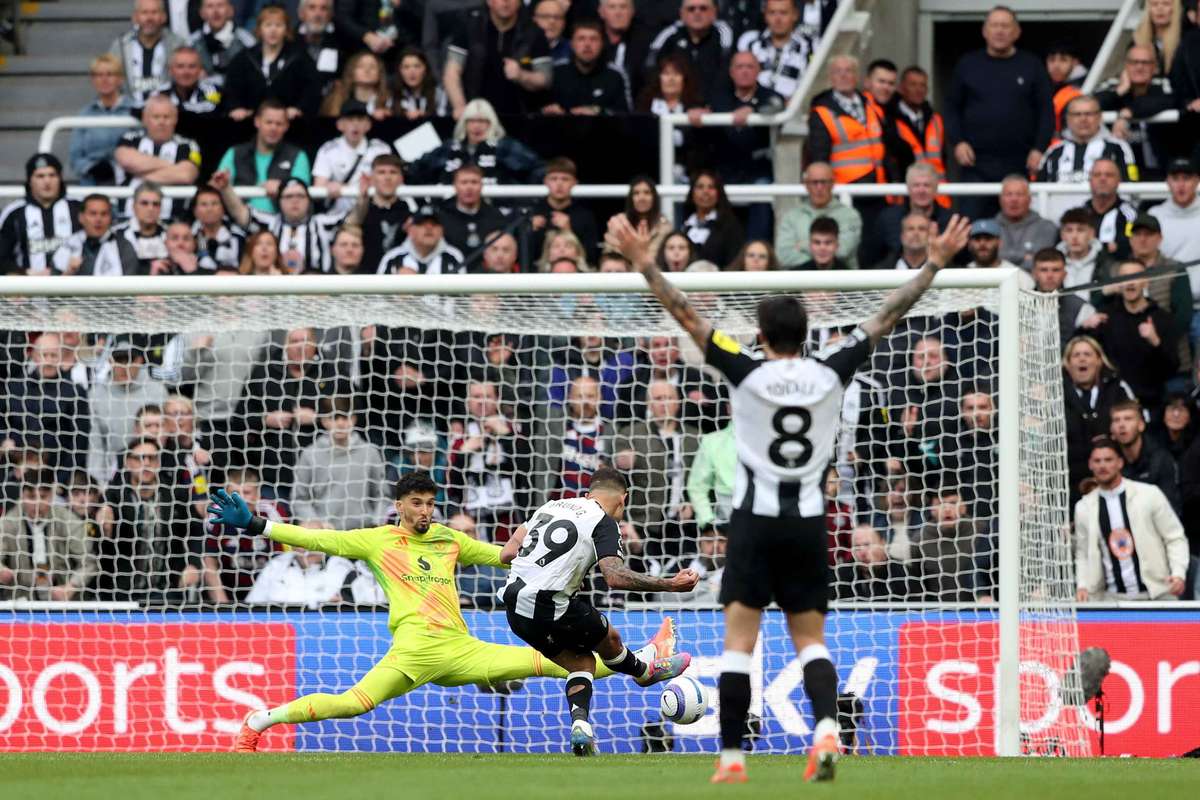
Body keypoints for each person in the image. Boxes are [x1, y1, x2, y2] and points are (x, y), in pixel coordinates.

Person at [605, 206, 972, 783]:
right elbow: (887, 315)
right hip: (807, 522)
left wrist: (645, 264)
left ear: (760, 335)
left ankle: (731, 759)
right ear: (806, 335)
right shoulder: (831, 372)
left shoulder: (746, 372)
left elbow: (686, 315)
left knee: (738, 643)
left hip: (753, 523)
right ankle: (826, 728)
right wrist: (934, 265)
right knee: (811, 641)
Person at [213, 471, 681, 750]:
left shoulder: (447, 540)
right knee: (353, 705)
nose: (425, 511)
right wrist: (257, 524)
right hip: (413, 651)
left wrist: (531, 549)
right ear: (398, 506)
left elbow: (503, 557)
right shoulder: (377, 541)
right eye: (417, 504)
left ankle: (647, 659)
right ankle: (259, 721)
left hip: (461, 649)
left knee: (561, 664)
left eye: (430, 504)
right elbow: (319, 539)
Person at [499, 466, 696, 755]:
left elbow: (507, 553)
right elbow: (614, 577)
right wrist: (670, 585)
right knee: (610, 639)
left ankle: (581, 727)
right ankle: (644, 671)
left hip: (514, 610)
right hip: (551, 604)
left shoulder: (550, 507)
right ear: (623, 499)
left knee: (582, 664)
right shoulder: (603, 521)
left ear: (589, 493)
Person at [944, 6, 1053, 220]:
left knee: (1019, 223)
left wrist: (1039, 148)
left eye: (1005, 26)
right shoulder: (967, 65)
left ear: (1017, 32)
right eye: (994, 25)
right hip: (975, 164)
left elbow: (1046, 111)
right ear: (985, 31)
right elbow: (951, 108)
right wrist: (958, 142)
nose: (1000, 31)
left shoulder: (1032, 65)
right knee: (971, 224)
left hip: (1020, 162)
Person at [1074, 438, 1188, 601]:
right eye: (1097, 461)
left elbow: (1174, 537)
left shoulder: (1149, 494)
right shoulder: (1084, 507)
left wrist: (1178, 573)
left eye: (1108, 460)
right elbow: (1083, 552)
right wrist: (1082, 585)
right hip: (1111, 599)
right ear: (1090, 465)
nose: (1102, 466)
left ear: (1120, 463)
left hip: (1157, 593)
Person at [1090, 260, 1179, 415]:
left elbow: (1172, 368)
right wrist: (1085, 328)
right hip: (1114, 404)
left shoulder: (1162, 318)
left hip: (1152, 403)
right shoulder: (1106, 317)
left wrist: (1155, 341)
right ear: (1118, 283)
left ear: (1146, 282)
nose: (1130, 282)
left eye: (1136, 276)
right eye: (1125, 277)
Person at [709, 52, 782, 240]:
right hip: (726, 171)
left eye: (750, 67)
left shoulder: (768, 95)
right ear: (731, 72)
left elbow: (777, 105)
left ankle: (756, 251)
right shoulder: (719, 97)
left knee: (762, 194)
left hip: (758, 171)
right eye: (740, 67)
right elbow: (706, 112)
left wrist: (753, 110)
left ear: (758, 71)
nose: (744, 71)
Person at [213, 174, 345, 274]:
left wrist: (353, 190)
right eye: (288, 196)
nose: (295, 201)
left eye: (300, 196)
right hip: (276, 294)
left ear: (309, 201)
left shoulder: (322, 224)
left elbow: (353, 220)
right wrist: (225, 188)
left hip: (317, 295)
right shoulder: (269, 223)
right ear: (279, 201)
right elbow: (241, 214)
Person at [1036, 94, 1138, 222]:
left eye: (1089, 114)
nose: (1083, 119)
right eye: (1077, 114)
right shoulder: (1054, 151)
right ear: (1067, 119)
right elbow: (1038, 190)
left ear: (1100, 117)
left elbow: (1131, 189)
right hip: (1057, 222)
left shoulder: (1118, 147)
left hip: (1104, 222)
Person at [1062, 335, 1137, 506]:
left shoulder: (1118, 388)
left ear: (1099, 361)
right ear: (1067, 364)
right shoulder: (1054, 394)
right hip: (1070, 482)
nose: (1082, 359)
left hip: (1117, 477)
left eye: (1087, 354)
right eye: (1076, 355)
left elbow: (1135, 424)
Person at [442, 0, 553, 117]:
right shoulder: (469, 26)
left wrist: (521, 75)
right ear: (489, 1)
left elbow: (545, 79)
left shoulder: (534, 32)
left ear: (520, 2)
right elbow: (451, 73)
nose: (506, 2)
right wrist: (460, 107)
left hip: (519, 115)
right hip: (476, 115)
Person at [0, 469, 95, 602]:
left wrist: (71, 587)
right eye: (31, 497)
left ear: (51, 496)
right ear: (22, 495)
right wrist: (2, 571)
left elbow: (89, 562)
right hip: (20, 600)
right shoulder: (8, 522)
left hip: (63, 602)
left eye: (43, 497)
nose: (37, 503)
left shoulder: (68, 521)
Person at [406, 98, 544, 185]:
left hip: (498, 213)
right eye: (471, 121)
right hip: (449, 212)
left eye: (482, 121)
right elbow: (417, 169)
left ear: (491, 123)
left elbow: (539, 169)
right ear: (464, 124)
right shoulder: (449, 147)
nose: (476, 126)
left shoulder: (505, 147)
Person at [222, 5, 321, 121]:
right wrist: (235, 107)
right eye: (268, 25)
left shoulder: (300, 58)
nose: (273, 30)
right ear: (259, 29)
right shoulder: (244, 58)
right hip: (250, 120)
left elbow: (312, 89)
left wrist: (299, 108)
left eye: (279, 25)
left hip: (290, 121)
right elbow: (231, 88)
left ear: (286, 30)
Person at [215, 99, 313, 213]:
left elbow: (301, 193)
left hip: (281, 220)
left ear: (287, 126)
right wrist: (219, 182)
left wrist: (282, 187)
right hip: (239, 220)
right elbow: (216, 186)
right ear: (257, 122)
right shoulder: (235, 153)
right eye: (269, 122)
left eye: (279, 124)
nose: (273, 128)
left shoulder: (298, 155)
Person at [114, 93, 202, 220]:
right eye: (156, 117)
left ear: (175, 119)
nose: (161, 122)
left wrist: (139, 174)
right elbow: (127, 161)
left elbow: (186, 175)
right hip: (128, 218)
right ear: (145, 119)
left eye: (166, 117)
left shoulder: (188, 145)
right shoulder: (129, 139)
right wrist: (172, 167)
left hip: (174, 222)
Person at [1095, 44, 1175, 181]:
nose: (1139, 67)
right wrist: (1120, 90)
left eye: (1145, 62)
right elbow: (1090, 105)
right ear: (1126, 65)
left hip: (1160, 171)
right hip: (1119, 172)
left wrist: (1127, 113)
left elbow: (1170, 100)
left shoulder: (1164, 85)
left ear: (1155, 67)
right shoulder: (1111, 85)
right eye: (1134, 62)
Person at [806, 55, 885, 191]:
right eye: (838, 71)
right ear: (830, 77)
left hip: (879, 184)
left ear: (857, 76)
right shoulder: (821, 111)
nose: (843, 76)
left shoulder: (871, 104)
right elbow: (819, 157)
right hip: (845, 188)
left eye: (849, 70)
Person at [0, 154, 82, 276]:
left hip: (76, 284)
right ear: (29, 180)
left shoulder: (78, 208)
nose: (47, 181)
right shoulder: (14, 213)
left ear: (60, 178)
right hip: (28, 285)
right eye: (40, 176)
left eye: (52, 175)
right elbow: (2, 257)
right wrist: (25, 273)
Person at [860, 162, 951, 269]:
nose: (921, 190)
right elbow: (870, 257)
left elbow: (960, 261)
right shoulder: (888, 218)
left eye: (927, 185)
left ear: (936, 188)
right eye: (916, 185)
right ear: (908, 188)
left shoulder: (950, 221)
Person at [312, 100, 395, 214]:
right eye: (350, 119)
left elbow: (392, 180)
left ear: (368, 125)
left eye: (360, 119)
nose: (355, 124)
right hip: (338, 214)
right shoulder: (328, 150)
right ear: (339, 125)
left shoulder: (381, 149)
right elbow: (318, 187)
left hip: (374, 212)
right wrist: (328, 186)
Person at [775, 162, 862, 268]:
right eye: (814, 182)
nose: (819, 187)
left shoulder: (850, 215)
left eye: (824, 182)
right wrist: (821, 258)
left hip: (840, 276)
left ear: (832, 183)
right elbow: (784, 256)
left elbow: (843, 252)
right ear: (806, 185)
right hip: (800, 277)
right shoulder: (791, 217)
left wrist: (803, 245)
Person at [647, 0, 734, 102]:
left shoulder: (725, 36)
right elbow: (650, 67)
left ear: (714, 13)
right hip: (677, 104)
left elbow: (727, 73)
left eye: (703, 8)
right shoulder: (669, 36)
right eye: (691, 9)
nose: (697, 13)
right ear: (682, 14)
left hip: (716, 104)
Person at [70, 54, 135, 186]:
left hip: (128, 180)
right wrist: (91, 168)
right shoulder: (85, 114)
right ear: (93, 79)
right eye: (99, 75)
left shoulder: (135, 110)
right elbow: (75, 158)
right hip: (92, 182)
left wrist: (116, 168)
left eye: (110, 74)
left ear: (120, 78)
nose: (104, 79)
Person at [545, 19, 632, 116]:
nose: (587, 44)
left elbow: (626, 115)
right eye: (581, 39)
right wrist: (549, 111)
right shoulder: (556, 72)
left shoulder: (615, 75)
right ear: (572, 44)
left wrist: (599, 112)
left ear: (602, 44)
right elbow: (538, 109)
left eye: (593, 39)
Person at [1109, 398, 1182, 514]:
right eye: (1116, 420)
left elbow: (1170, 507)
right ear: (1111, 429)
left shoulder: (1161, 458)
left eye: (1128, 419)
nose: (1122, 425)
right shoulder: (1107, 459)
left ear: (1141, 425)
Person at [346, 153, 416, 272]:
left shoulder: (409, 214)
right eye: (381, 172)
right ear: (372, 178)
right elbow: (349, 226)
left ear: (401, 178)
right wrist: (362, 199)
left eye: (393, 172)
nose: (387, 177)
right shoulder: (363, 210)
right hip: (365, 278)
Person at [109, 0, 186, 107]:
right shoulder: (121, 46)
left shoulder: (177, 45)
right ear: (135, 17)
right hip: (128, 111)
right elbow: (110, 78)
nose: (149, 18)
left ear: (163, 17)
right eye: (144, 12)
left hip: (167, 112)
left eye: (154, 12)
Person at [887, 65, 947, 195]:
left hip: (937, 195)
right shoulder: (889, 119)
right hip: (906, 194)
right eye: (913, 85)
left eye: (922, 85)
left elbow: (942, 158)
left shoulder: (935, 120)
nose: (918, 90)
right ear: (901, 88)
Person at [528, 158, 600, 262]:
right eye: (554, 179)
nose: (559, 184)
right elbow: (521, 258)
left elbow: (592, 257)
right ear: (545, 181)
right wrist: (529, 233)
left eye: (565, 179)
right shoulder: (532, 213)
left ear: (574, 182)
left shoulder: (585, 216)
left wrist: (569, 231)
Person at [736, 0, 809, 100]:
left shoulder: (809, 47)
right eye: (772, 13)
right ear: (765, 15)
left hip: (793, 107)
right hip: (752, 106)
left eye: (783, 13)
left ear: (795, 15)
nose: (777, 19)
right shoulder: (749, 43)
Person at [53, 194, 140, 277]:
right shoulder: (69, 245)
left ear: (111, 218)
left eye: (104, 214)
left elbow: (130, 281)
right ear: (81, 217)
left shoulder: (123, 246)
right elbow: (53, 283)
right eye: (93, 214)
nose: (98, 219)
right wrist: (68, 273)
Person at [1031, 248, 1098, 350]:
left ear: (1065, 274)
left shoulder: (1082, 308)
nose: (1050, 275)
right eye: (1044, 270)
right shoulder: (1017, 305)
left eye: (1056, 270)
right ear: (1034, 274)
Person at [436, 164, 508, 256]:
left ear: (481, 185)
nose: (469, 187)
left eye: (474, 182)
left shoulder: (495, 217)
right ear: (455, 185)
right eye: (464, 182)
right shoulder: (442, 218)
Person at [1075, 158, 1138, 260]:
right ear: (1090, 180)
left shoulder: (1131, 215)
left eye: (1109, 175)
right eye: (1097, 175)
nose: (1102, 179)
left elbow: (1132, 246)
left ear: (1119, 180)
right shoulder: (1078, 215)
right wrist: (1108, 246)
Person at [993, 174, 1059, 271]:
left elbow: (1040, 262)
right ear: (1000, 199)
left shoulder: (1046, 227)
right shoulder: (989, 228)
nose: (1014, 199)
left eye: (1019, 194)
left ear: (1030, 199)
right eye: (1009, 194)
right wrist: (1024, 256)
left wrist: (1003, 257)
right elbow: (988, 261)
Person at [681, 169, 745, 268]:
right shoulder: (685, 225)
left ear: (718, 193)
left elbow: (734, 262)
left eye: (711, 187)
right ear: (692, 192)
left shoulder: (731, 226)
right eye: (700, 187)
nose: (705, 192)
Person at [378, 204, 465, 275]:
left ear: (442, 230)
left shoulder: (454, 257)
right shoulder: (392, 259)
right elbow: (377, 291)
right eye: (421, 224)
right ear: (410, 230)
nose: (429, 228)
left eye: (434, 224)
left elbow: (463, 291)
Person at [189, 0, 257, 84]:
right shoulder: (192, 43)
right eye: (210, 6)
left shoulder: (246, 41)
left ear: (230, 11)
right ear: (202, 13)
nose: (215, 11)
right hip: (204, 89)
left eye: (220, 5)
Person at [152, 46, 223, 119]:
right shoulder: (158, 94)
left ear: (200, 70)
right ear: (170, 70)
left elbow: (214, 111)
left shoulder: (213, 92)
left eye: (192, 66)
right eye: (180, 66)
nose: (186, 72)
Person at [319, 51, 392, 119]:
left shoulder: (389, 101)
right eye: (360, 66)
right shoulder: (337, 100)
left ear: (380, 74)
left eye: (372, 67)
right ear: (351, 73)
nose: (367, 70)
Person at [297, 0, 346, 95]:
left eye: (324, 8)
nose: (318, 14)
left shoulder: (343, 42)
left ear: (331, 15)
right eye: (312, 7)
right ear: (301, 13)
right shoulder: (289, 41)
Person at [392, 47, 449, 118]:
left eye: (417, 66)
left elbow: (443, 120)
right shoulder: (392, 95)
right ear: (400, 70)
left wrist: (425, 117)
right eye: (406, 67)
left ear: (425, 69)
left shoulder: (438, 94)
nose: (412, 72)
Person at [1045, 40, 1085, 136]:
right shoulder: (1043, 85)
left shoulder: (1084, 86)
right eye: (1052, 60)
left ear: (1075, 62)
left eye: (1063, 60)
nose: (1056, 66)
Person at [1135, 0, 1185, 76]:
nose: (1160, 8)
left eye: (1166, 4)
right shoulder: (1137, 40)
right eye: (1154, 4)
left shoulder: (1186, 41)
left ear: (1175, 9)